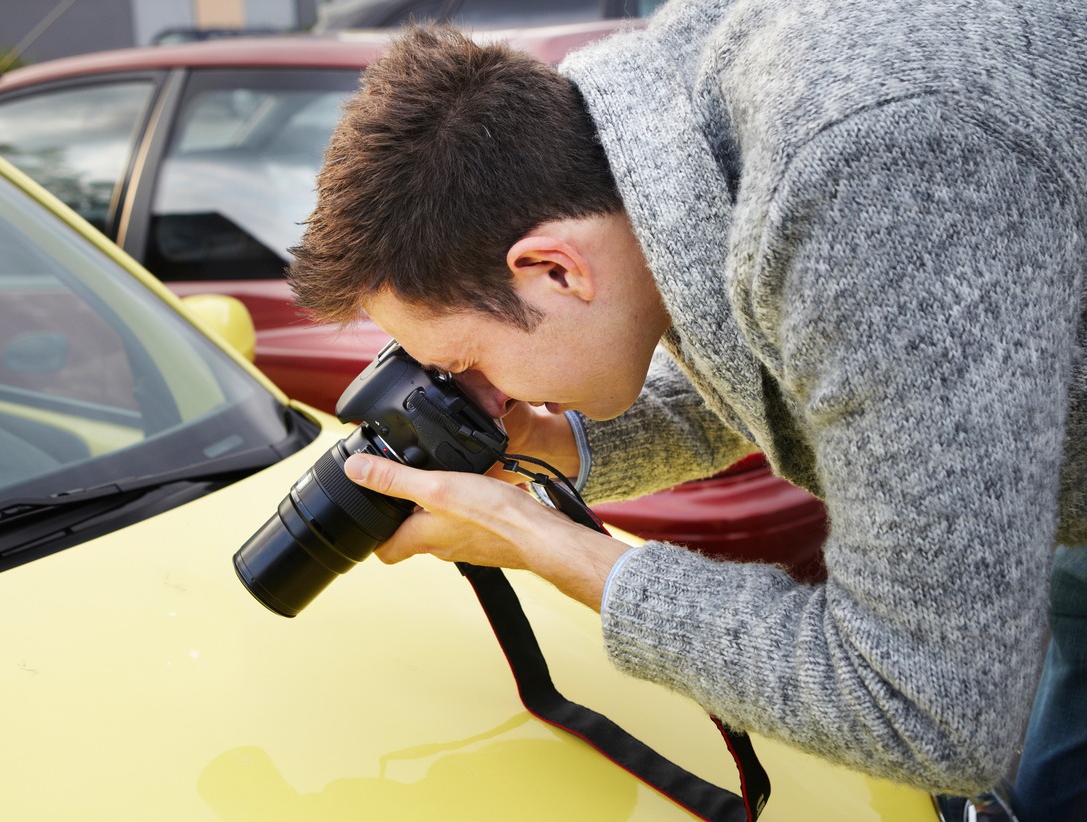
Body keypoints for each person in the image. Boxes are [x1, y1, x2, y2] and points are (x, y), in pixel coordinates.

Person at [285, 0, 1087, 816]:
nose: (481, 399)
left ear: (555, 271)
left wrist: (550, 546)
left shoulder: (863, 182)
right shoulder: (671, 133)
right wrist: (544, 441)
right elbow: (774, 365)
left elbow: (927, 711)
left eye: (465, 364)